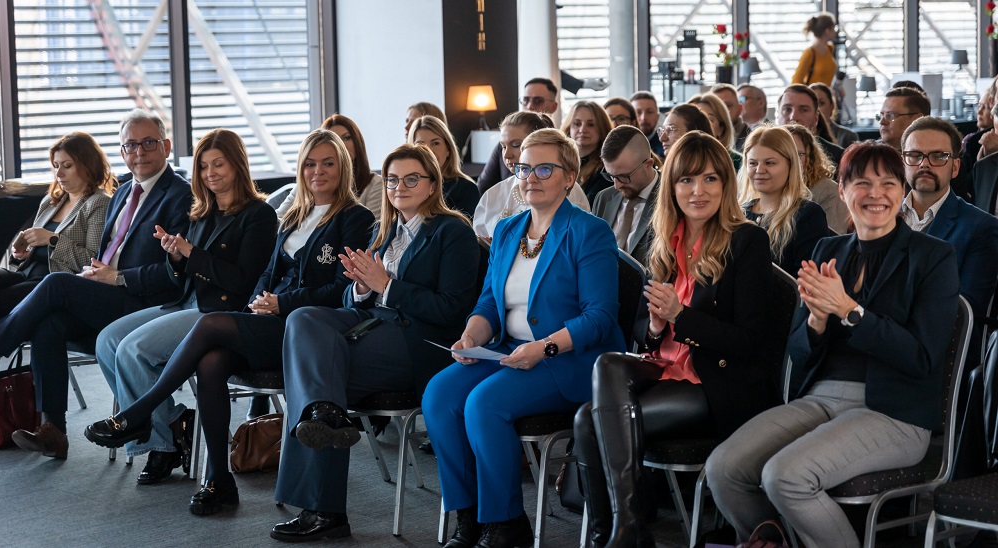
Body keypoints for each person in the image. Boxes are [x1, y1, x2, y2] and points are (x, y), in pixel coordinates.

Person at [84, 129, 375, 514]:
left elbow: (341, 288)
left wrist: (280, 303)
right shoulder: (295, 216)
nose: (317, 171)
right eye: (309, 164)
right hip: (267, 318)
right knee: (211, 361)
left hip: (305, 330)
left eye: (328, 164)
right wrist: (257, 302)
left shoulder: (355, 218)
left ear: (344, 168)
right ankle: (219, 479)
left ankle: (139, 412)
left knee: (210, 325)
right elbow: (265, 274)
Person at [705, 141, 960, 548]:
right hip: (820, 397)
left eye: (888, 183)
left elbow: (922, 357)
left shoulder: (933, 257)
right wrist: (816, 320)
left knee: (785, 476)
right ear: (842, 191)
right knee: (723, 468)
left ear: (902, 191)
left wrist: (849, 310)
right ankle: (775, 539)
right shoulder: (828, 249)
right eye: (862, 183)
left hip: (894, 411)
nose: (876, 194)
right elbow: (799, 354)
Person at [576, 131, 779, 546]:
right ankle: (621, 529)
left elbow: (750, 343)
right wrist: (655, 325)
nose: (697, 191)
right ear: (671, 186)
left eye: (709, 179)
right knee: (605, 371)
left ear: (726, 184)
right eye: (686, 180)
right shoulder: (665, 240)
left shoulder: (747, 240)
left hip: (714, 381)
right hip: (666, 369)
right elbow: (643, 332)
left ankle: (620, 532)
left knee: (590, 421)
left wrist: (680, 317)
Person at [268, 143, 479, 542]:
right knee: (303, 319)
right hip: (372, 325)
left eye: (411, 179)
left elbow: (452, 309)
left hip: (416, 341)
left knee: (313, 379)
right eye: (393, 180)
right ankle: (327, 415)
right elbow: (354, 299)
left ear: (432, 183)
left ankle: (323, 510)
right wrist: (363, 288)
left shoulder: (452, 231)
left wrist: (387, 286)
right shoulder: (386, 231)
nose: (399, 187)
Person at [424, 128, 624, 548]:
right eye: (523, 168)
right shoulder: (507, 230)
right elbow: (489, 302)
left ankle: (505, 523)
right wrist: (471, 335)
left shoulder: (589, 231)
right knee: (439, 395)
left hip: (568, 358)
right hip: (510, 350)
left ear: (569, 177)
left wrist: (544, 347)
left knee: (484, 403)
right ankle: (468, 517)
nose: (530, 177)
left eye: (544, 169)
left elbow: (600, 318)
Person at [1, 108, 192, 460]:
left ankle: (1, 342)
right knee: (48, 323)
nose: (139, 152)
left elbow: (175, 272)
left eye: (149, 143)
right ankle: (53, 431)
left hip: (144, 302)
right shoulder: (123, 192)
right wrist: (96, 271)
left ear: (166, 146)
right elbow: (104, 252)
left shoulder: (181, 195)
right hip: (104, 292)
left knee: (56, 284)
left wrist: (116, 277)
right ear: (122, 152)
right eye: (131, 145)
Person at [94, 129, 277, 485]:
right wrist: (176, 257)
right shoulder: (201, 212)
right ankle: (173, 423)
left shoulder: (259, 215)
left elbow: (243, 281)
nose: (210, 174)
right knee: (108, 341)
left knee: (133, 350)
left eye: (218, 164)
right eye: (204, 166)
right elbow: (178, 277)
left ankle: (161, 445)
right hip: (187, 301)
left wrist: (192, 254)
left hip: (220, 312)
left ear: (237, 164)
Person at [900, 116, 998, 367]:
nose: (924, 164)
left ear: (955, 167)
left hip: (939, 360)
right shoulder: (881, 217)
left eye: (938, 156)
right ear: (903, 162)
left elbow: (963, 311)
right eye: (915, 155)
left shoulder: (981, 228)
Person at [0, 132, 113, 318]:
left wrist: (52, 239)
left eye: (67, 166)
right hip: (25, 273)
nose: (59, 174)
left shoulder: (99, 203)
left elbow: (91, 261)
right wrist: (21, 255)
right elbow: (35, 251)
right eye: (56, 166)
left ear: (88, 165)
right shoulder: (51, 201)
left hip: (52, 282)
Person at [473, 111, 590, 239]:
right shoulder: (493, 195)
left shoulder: (564, 189)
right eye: (503, 147)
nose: (507, 155)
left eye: (516, 145)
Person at [739, 126, 830, 274]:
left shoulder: (807, 215)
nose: (759, 170)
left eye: (770, 163)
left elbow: (805, 281)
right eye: (753, 163)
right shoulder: (739, 213)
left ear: (791, 165)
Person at [276, 114, 384, 221]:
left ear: (357, 142)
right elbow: (277, 219)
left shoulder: (374, 185)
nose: (341, 144)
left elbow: (373, 227)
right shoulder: (309, 183)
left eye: (346, 138)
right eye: (334, 138)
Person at [477, 77, 561, 194]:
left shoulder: (561, 151)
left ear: (554, 106)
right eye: (525, 100)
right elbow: (482, 189)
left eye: (537, 101)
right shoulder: (503, 148)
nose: (530, 106)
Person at [593, 125, 659, 266]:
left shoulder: (670, 198)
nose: (616, 185)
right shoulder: (604, 198)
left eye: (623, 177)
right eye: (611, 176)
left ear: (648, 164)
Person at [407, 115, 481, 218]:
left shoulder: (465, 189)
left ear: (448, 150)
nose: (429, 150)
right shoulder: (403, 186)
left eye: (435, 143)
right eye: (420, 144)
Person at [784, 123, 850, 234]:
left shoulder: (828, 191)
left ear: (809, 157)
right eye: (783, 153)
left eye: (798, 154)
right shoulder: (766, 189)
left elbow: (832, 240)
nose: (791, 160)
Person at [777, 84, 844, 170]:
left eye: (803, 110)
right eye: (787, 109)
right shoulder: (763, 151)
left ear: (816, 118)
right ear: (778, 115)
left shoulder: (838, 157)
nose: (793, 117)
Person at [561, 100, 614, 204]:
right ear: (568, 128)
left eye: (591, 124)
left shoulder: (605, 171)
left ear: (602, 128)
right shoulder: (559, 163)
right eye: (577, 124)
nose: (582, 129)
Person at [690, 93, 743, 171]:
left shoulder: (738, 162)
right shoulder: (676, 159)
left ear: (722, 128)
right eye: (695, 119)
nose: (700, 124)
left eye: (709, 119)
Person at [792, 12, 837, 86]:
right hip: (813, 93)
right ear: (827, 31)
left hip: (827, 92)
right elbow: (796, 81)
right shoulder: (809, 53)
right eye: (833, 29)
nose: (835, 32)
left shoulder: (830, 48)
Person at [810, 82, 858, 149]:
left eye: (821, 103)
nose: (817, 109)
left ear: (832, 106)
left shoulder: (848, 136)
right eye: (812, 105)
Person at [712, 83, 750, 152]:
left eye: (727, 106)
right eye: (716, 107)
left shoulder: (751, 140)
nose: (722, 111)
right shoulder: (706, 138)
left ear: (740, 109)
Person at [631, 91, 664, 156]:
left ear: (657, 117)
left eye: (649, 112)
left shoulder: (666, 147)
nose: (644, 118)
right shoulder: (622, 146)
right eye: (638, 112)